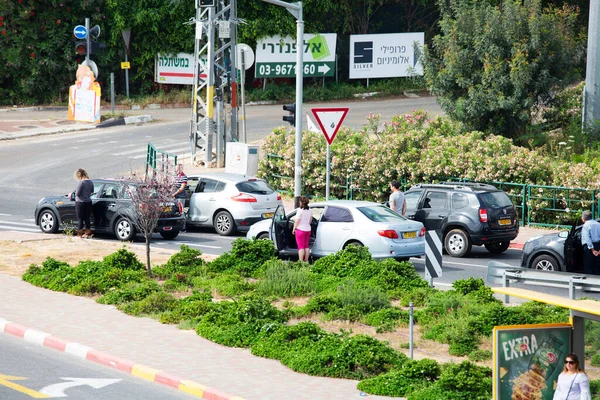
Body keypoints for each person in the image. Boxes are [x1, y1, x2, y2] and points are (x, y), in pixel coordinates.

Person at [73, 168, 94, 238]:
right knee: (87, 218)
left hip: (80, 202)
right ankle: (88, 232)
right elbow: (92, 192)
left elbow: (77, 193)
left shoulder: (81, 182)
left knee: (80, 218)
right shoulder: (90, 182)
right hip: (88, 202)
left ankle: (79, 234)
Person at [292, 196, 312, 262]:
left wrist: (294, 229)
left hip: (300, 230)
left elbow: (297, 221)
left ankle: (300, 261)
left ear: (301, 202)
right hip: (308, 230)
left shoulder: (300, 210)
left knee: (301, 247)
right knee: (306, 246)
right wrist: (307, 224)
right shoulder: (310, 210)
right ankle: (306, 260)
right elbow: (310, 220)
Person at [172, 163, 188, 232]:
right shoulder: (175, 177)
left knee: (181, 211)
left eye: (179, 168)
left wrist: (174, 194)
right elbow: (173, 185)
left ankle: (183, 227)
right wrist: (171, 193)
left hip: (181, 196)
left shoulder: (184, 177)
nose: (177, 170)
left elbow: (181, 188)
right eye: (177, 169)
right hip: (175, 196)